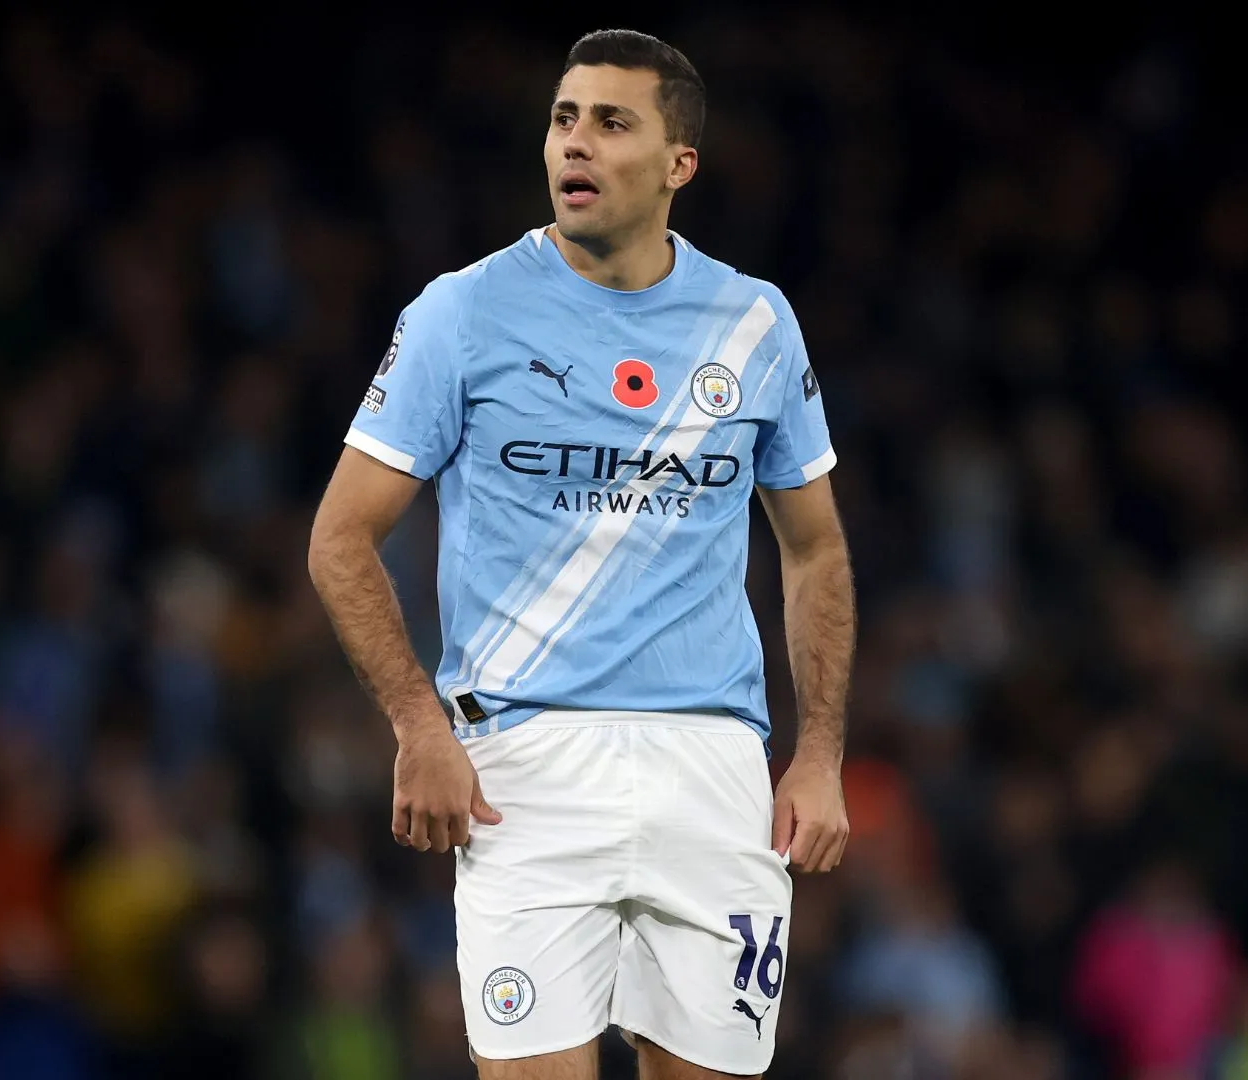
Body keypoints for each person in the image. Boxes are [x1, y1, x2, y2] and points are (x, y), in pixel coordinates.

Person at [307, 28, 855, 1080]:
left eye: (612, 122)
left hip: (714, 770)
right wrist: (417, 723)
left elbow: (817, 550)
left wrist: (820, 751)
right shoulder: (460, 313)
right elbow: (340, 538)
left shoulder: (755, 324)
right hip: (524, 768)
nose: (577, 143)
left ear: (677, 164)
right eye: (565, 118)